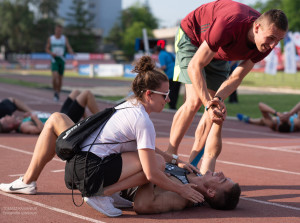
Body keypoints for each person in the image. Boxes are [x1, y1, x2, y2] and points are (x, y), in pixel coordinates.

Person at [0, 56, 203, 217]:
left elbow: (145, 148)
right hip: (90, 171)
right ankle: (101, 194)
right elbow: (151, 173)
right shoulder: (143, 121)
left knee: (57, 118)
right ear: (149, 94)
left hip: (81, 164)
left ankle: (29, 182)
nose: (168, 99)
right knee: (155, 164)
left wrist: (176, 160)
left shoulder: (129, 104)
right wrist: (182, 190)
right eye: (164, 95)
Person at [167, 0, 288, 175]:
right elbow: (195, 66)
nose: (273, 46)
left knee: (214, 111)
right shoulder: (229, 23)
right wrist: (207, 102)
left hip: (220, 52)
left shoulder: (266, 44)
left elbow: (237, 76)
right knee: (194, 102)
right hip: (193, 37)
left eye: (278, 40)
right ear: (256, 28)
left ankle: (192, 166)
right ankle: (170, 156)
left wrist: (216, 100)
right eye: (271, 38)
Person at [133, 165, 241, 214]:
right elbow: (211, 152)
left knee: (158, 160)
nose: (221, 173)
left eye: (222, 180)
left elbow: (142, 205)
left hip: (122, 175)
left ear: (211, 192)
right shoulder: (194, 171)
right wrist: (174, 159)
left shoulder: (181, 198)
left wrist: (153, 173)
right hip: (131, 157)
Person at [0, 90, 99, 134]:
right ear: (9, 125)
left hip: (61, 115)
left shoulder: (22, 121)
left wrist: (28, 116)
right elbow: (40, 130)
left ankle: (85, 122)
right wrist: (34, 118)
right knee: (86, 94)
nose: (8, 115)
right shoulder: (24, 127)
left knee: (76, 92)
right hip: (64, 121)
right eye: (5, 118)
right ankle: (103, 121)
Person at [45, 24, 74, 102]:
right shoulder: (51, 39)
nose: (59, 32)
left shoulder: (64, 39)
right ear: (55, 30)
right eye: (57, 30)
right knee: (55, 77)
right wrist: (51, 53)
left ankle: (58, 92)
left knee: (60, 79)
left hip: (62, 59)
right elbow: (47, 49)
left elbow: (68, 46)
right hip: (54, 59)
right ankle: (55, 92)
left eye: (60, 31)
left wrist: (71, 51)